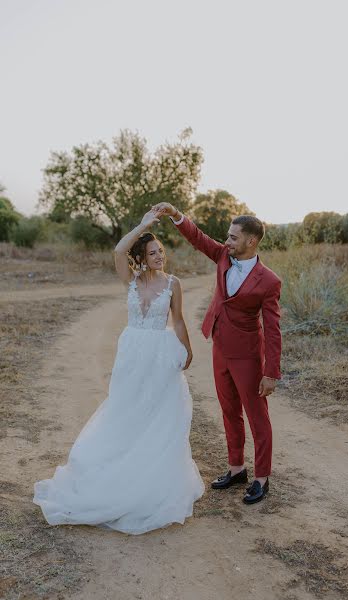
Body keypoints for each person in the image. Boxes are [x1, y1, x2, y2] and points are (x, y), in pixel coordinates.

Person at [33, 208, 204, 534]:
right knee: (125, 409)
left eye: (161, 252)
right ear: (141, 256)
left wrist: (188, 349)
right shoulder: (131, 280)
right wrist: (142, 226)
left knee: (158, 412)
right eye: (152, 252)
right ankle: (118, 468)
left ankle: (150, 475)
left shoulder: (173, 284)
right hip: (131, 354)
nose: (159, 256)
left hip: (159, 352)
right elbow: (117, 251)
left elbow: (178, 320)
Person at [153, 202, 281, 504]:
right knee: (228, 410)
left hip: (248, 355)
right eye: (227, 236)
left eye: (234, 237)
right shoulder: (223, 256)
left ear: (251, 241)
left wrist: (271, 372)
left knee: (257, 417)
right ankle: (237, 468)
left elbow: (273, 329)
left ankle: (262, 477)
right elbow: (198, 238)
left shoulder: (269, 281)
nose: (227, 242)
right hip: (220, 347)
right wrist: (175, 215)